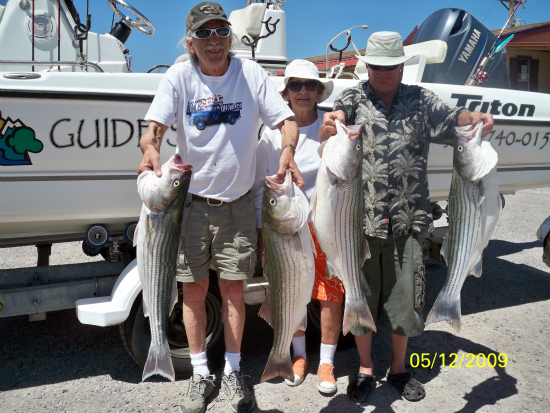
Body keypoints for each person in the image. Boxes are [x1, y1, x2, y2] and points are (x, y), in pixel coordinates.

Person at [137, 3, 303, 413]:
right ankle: (199, 374)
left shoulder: (251, 74)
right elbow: (154, 128)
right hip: (189, 204)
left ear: (230, 36)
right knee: (193, 291)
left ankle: (231, 372)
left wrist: (287, 150)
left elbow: (287, 122)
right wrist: (149, 149)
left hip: (239, 204)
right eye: (204, 34)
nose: (214, 41)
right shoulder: (178, 75)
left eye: (220, 32)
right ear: (190, 43)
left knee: (233, 291)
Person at [320, 31, 494, 403]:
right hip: (358, 224)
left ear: (401, 65)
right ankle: (366, 368)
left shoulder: (421, 99)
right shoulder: (353, 97)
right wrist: (329, 124)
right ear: (367, 66)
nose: (383, 73)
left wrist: (474, 118)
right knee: (360, 297)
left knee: (405, 302)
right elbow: (332, 126)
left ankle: (398, 368)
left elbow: (454, 120)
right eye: (377, 66)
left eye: (391, 66)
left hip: (409, 220)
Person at [253, 59, 344, 396]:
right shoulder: (272, 136)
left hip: (325, 226)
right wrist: (263, 235)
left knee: (329, 295)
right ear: (286, 92)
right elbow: (260, 189)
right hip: (287, 228)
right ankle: (299, 356)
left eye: (310, 85)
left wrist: (331, 138)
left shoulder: (330, 125)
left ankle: (326, 362)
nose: (303, 92)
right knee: (292, 293)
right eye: (295, 85)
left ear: (319, 91)